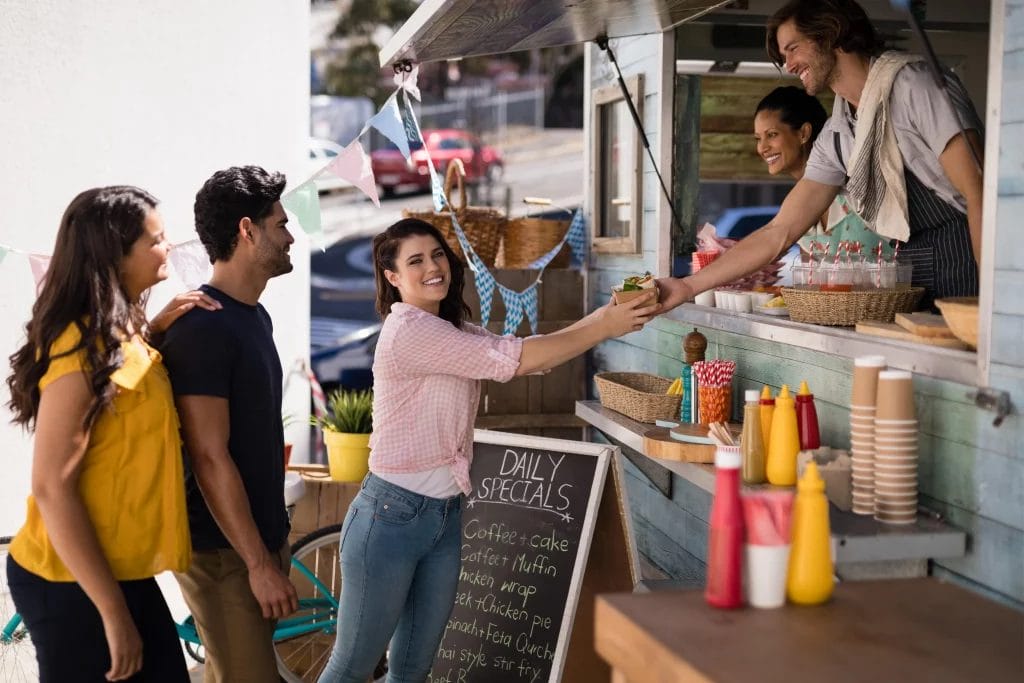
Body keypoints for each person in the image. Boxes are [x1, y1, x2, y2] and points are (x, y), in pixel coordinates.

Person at [317, 218, 658, 683]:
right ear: (392, 278)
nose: (433, 266)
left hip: (443, 517)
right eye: (415, 260)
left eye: (437, 254)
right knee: (352, 667)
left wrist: (608, 316)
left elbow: (528, 354)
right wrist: (606, 325)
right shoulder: (412, 333)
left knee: (413, 669)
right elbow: (516, 362)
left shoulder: (451, 329)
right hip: (390, 518)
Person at [5, 186, 220, 682]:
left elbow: (119, 395)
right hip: (69, 580)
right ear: (114, 256)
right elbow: (51, 486)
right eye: (157, 240)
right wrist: (113, 613)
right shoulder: (79, 345)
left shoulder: (118, 333)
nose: (169, 248)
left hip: (118, 574)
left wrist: (154, 331)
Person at [660, 0, 984, 310]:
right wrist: (689, 285)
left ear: (830, 33)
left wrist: (994, 305)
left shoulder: (916, 86)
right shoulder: (838, 133)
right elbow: (778, 232)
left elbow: (980, 195)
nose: (788, 65)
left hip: (965, 260)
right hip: (911, 270)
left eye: (793, 48)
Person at [159, 166, 298, 683]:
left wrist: (272, 548)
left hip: (257, 542)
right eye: (280, 224)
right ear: (247, 230)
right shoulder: (205, 327)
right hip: (222, 555)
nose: (289, 237)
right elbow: (208, 455)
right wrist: (258, 564)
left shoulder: (252, 316)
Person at [754, 85, 892, 260]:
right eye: (758, 139)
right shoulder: (796, 208)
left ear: (803, 133)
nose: (762, 148)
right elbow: (809, 282)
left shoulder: (856, 186)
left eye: (772, 135)